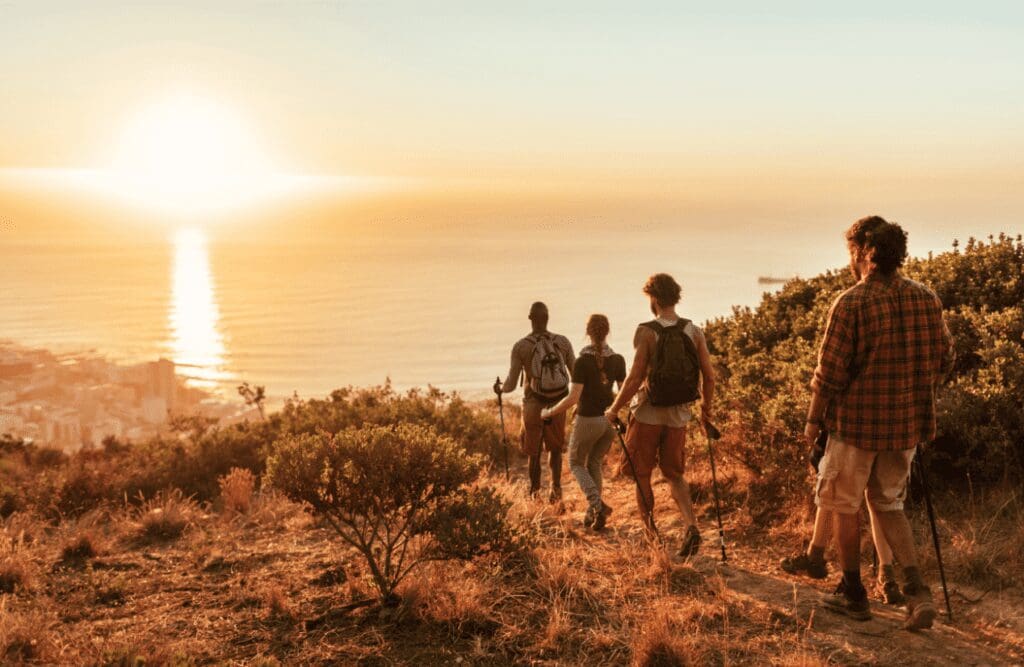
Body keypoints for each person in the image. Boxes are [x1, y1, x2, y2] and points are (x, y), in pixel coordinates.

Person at [805, 216, 954, 629]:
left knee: (844, 507)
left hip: (855, 428)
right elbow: (945, 359)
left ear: (862, 254)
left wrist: (812, 423)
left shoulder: (851, 303)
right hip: (905, 427)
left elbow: (829, 374)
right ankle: (917, 593)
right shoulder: (927, 298)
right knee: (889, 504)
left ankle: (854, 593)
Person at [604, 273, 715, 556]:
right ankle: (691, 526)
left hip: (648, 414)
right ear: (675, 297)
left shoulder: (646, 332)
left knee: (642, 474)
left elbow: (634, 378)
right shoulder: (694, 331)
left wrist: (614, 409)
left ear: (653, 299)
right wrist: (706, 412)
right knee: (675, 475)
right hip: (679, 415)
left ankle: (652, 535)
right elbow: (710, 377)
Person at [541, 314, 626, 530]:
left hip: (588, 420)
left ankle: (598, 505)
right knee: (594, 463)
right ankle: (593, 514)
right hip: (609, 422)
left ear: (588, 332)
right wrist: (617, 413)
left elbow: (573, 399)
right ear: (607, 331)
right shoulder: (618, 360)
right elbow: (624, 393)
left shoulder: (582, 362)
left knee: (575, 463)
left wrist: (549, 412)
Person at [496, 302, 575, 501]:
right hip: (558, 402)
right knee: (555, 450)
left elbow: (512, 384)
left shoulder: (521, 346)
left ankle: (535, 493)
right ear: (548, 318)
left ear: (530, 319)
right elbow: (575, 374)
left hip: (533, 403)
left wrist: (500, 389)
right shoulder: (563, 342)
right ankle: (556, 491)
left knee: (534, 452)